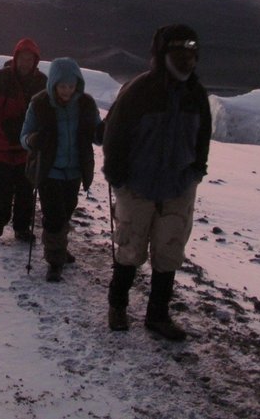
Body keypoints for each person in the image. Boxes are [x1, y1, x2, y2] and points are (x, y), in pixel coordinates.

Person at [102, 24, 212, 341]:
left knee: (168, 253)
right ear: (162, 54)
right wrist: (118, 178)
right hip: (137, 185)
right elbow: (115, 136)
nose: (186, 60)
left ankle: (158, 316)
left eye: (191, 53)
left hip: (178, 187)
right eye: (179, 53)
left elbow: (202, 137)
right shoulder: (139, 92)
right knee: (130, 250)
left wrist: (195, 172)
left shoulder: (196, 95)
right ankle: (118, 306)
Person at [21, 57, 102, 282]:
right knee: (54, 216)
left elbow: (96, 133)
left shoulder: (86, 104)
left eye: (71, 85)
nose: (67, 90)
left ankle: (59, 247)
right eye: (63, 85)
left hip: (75, 171)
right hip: (49, 170)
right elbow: (24, 137)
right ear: (54, 84)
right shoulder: (40, 103)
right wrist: (33, 140)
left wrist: (101, 133)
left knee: (66, 212)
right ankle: (54, 261)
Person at [0, 38, 47, 241]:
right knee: (1, 189)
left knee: (25, 192)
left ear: (35, 61)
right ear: (16, 58)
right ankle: (1, 218)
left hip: (27, 151)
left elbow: (49, 112)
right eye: (22, 58)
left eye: (29, 59)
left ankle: (21, 228)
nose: (25, 62)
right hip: (1, 147)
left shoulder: (42, 83)